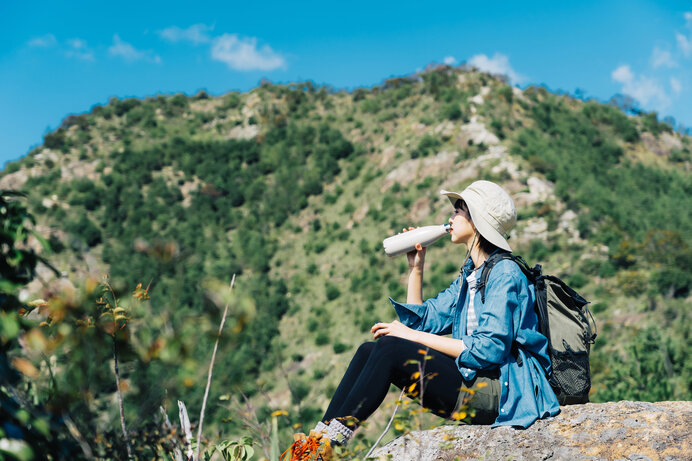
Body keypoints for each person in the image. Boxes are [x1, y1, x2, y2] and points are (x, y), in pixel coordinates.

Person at [284, 180, 560, 460]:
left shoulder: (505, 273)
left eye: (459, 210)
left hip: (502, 390)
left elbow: (489, 350)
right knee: (370, 349)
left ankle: (323, 451)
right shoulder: (471, 274)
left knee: (390, 347)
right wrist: (416, 268)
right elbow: (424, 322)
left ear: (477, 221)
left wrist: (407, 336)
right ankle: (316, 444)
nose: (451, 216)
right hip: (475, 377)